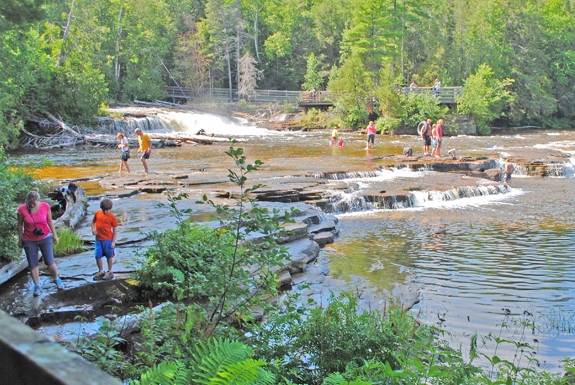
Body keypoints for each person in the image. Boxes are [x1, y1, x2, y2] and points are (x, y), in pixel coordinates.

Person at [17, 189, 63, 296]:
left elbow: (49, 221)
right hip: (29, 240)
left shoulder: (45, 206)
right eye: (30, 204)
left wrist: (54, 235)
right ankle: (37, 286)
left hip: (45, 237)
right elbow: (20, 225)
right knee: (33, 264)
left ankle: (57, 279)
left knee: (50, 262)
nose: (32, 206)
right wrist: (20, 239)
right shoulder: (22, 209)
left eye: (34, 204)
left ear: (38, 200)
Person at [91, 198, 118, 281]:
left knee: (109, 256)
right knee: (97, 255)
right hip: (98, 239)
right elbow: (93, 222)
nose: (105, 212)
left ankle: (110, 271)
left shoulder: (112, 217)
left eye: (107, 210)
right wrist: (93, 229)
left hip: (108, 240)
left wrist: (113, 242)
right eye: (104, 210)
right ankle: (101, 271)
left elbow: (115, 230)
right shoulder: (97, 213)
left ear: (110, 209)